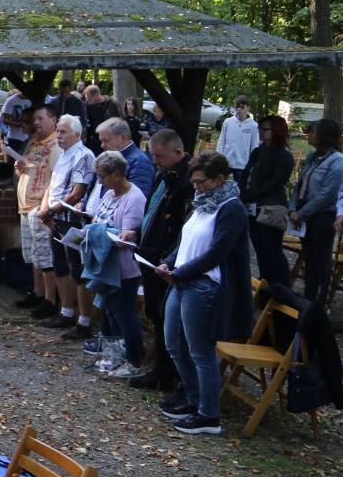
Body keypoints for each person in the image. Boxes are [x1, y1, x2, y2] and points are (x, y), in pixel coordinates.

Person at [156, 152, 251, 435]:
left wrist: (180, 273)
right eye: (194, 182)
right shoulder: (201, 203)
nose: (196, 188)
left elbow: (217, 252)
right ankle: (192, 397)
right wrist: (168, 262)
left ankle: (209, 414)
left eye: (202, 182)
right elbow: (186, 240)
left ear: (220, 179)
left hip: (204, 285)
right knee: (174, 343)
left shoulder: (231, 208)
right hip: (182, 279)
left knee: (201, 352)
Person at [126, 129, 194, 392]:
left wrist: (167, 257)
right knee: (155, 313)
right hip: (149, 253)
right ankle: (161, 368)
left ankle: (168, 373)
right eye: (153, 155)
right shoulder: (166, 174)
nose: (154, 161)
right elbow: (152, 210)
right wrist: (139, 232)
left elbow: (182, 226)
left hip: (164, 260)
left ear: (178, 153)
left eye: (159, 156)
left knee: (166, 317)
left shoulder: (187, 181)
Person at [82, 151, 147, 379]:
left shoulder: (134, 198)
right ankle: (113, 356)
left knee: (124, 315)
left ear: (117, 174)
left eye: (103, 176)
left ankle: (134, 360)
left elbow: (125, 238)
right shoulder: (109, 193)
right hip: (104, 266)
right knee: (109, 313)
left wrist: (97, 233)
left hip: (124, 269)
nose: (100, 181)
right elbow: (97, 220)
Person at [39, 114, 96, 334]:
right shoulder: (62, 154)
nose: (58, 135)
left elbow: (76, 193)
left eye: (63, 131)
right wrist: (46, 210)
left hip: (71, 220)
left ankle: (83, 320)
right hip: (54, 218)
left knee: (77, 269)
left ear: (77, 134)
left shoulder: (83, 155)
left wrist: (52, 210)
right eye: (58, 131)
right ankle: (66, 312)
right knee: (60, 265)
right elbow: (53, 185)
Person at [290, 119, 343, 304]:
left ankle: (321, 302)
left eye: (313, 132)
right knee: (309, 257)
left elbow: (327, 194)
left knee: (320, 260)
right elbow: (299, 185)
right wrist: (293, 208)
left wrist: (302, 212)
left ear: (324, 135)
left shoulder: (338, 161)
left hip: (323, 216)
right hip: (305, 214)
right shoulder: (312, 157)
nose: (309, 135)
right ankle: (308, 297)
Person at [14, 104, 59, 318]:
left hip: (40, 206)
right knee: (33, 254)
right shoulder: (34, 144)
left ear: (53, 120)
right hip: (25, 205)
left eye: (41, 118)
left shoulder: (55, 147)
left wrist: (46, 206)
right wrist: (20, 170)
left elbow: (55, 178)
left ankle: (51, 299)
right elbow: (30, 169)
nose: (36, 123)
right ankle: (38, 292)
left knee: (44, 255)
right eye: (35, 119)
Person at [245, 114, 295, 287]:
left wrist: (251, 195)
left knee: (272, 251)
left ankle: (282, 290)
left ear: (276, 131)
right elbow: (246, 174)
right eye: (260, 129)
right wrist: (244, 193)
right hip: (253, 206)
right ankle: (265, 289)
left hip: (273, 207)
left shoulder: (284, 156)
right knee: (260, 250)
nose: (260, 132)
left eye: (265, 129)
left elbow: (275, 182)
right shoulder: (257, 152)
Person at [97, 116, 152, 196]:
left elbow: (135, 198)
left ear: (123, 137)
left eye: (106, 140)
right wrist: (83, 202)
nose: (102, 145)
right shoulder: (109, 156)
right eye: (101, 141)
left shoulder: (140, 162)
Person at [217, 96, 260, 195]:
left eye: (242, 107)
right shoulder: (228, 122)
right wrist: (219, 157)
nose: (239, 110)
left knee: (238, 190)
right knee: (219, 186)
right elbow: (221, 141)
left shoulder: (253, 125)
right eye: (237, 107)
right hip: (226, 161)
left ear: (248, 108)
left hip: (242, 164)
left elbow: (254, 146)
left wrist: (251, 164)